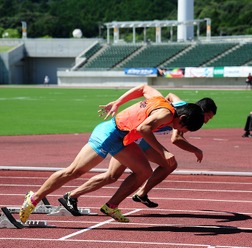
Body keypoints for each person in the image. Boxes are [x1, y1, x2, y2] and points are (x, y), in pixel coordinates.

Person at [19, 84, 204, 224]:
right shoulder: (165, 113)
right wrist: (164, 151)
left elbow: (144, 87)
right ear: (182, 118)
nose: (182, 132)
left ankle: (111, 206)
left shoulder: (162, 100)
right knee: (74, 171)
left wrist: (118, 102)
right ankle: (33, 199)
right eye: (184, 128)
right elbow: (143, 128)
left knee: (144, 172)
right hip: (109, 134)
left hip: (124, 139)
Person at [57, 96, 217, 221]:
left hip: (137, 138)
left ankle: (73, 196)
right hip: (135, 138)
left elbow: (169, 97)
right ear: (200, 110)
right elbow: (175, 138)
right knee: (165, 164)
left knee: (112, 176)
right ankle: (137, 194)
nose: (207, 121)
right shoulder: (184, 118)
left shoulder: (185, 115)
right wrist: (195, 150)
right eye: (207, 117)